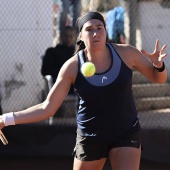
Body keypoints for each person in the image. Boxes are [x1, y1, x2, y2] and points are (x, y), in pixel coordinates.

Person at [0, 12, 167, 170]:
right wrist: (5, 119)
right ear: (80, 36)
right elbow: (47, 108)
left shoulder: (127, 53)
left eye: (99, 28)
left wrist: (159, 66)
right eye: (89, 29)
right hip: (90, 136)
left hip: (125, 131)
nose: (95, 33)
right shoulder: (72, 67)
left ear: (105, 31)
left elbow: (158, 78)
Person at [41, 26, 76, 95]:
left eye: (70, 36)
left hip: (76, 87)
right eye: (66, 36)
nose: (68, 39)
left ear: (74, 38)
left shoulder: (77, 53)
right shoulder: (52, 52)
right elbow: (45, 71)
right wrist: (64, 72)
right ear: (61, 37)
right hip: (59, 85)